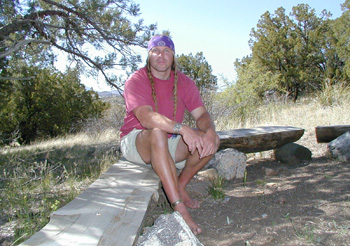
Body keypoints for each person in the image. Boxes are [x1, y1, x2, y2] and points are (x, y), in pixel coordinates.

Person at [120, 35, 220, 235]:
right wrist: (183, 129)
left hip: (169, 141)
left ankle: (181, 185)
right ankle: (179, 208)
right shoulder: (137, 80)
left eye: (166, 51)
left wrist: (209, 132)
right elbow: (146, 118)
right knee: (157, 133)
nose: (161, 55)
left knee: (212, 139)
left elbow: (201, 114)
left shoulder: (183, 82)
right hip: (137, 142)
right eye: (155, 51)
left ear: (173, 56)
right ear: (149, 56)